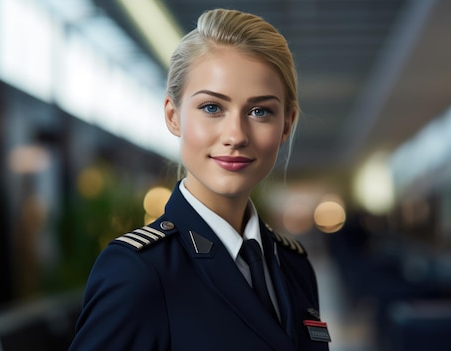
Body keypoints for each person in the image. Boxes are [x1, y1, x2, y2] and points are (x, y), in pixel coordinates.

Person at [69, 8, 330, 351]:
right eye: (212, 108)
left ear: (287, 125)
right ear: (173, 116)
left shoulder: (294, 266)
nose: (235, 135)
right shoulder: (140, 272)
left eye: (260, 111)